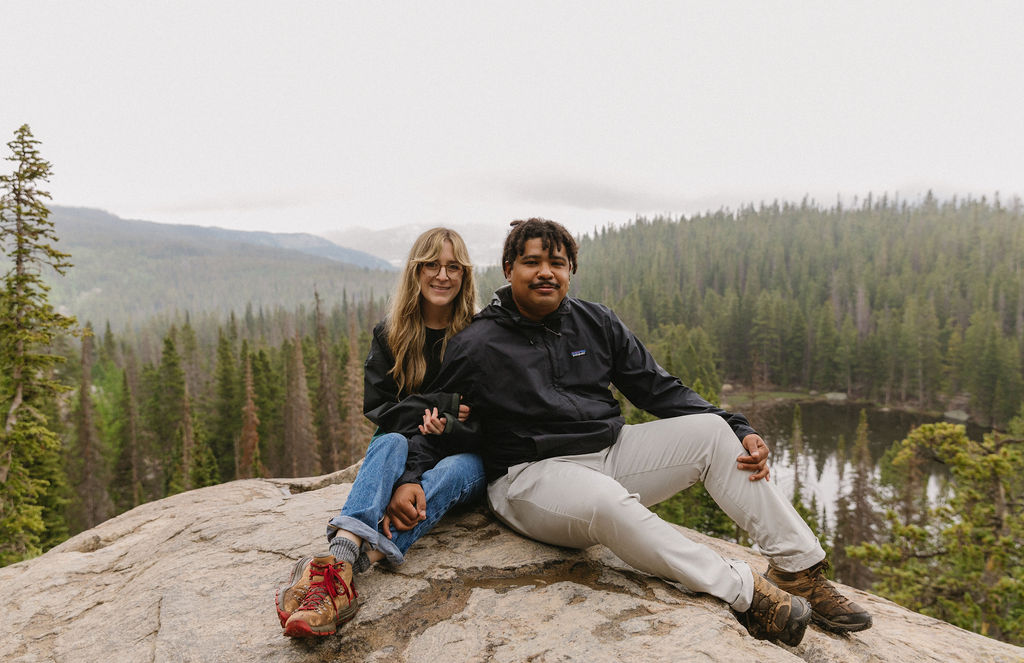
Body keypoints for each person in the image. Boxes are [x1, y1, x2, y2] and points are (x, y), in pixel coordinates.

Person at [412, 218, 872, 647]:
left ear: (570, 269)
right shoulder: (477, 343)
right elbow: (433, 418)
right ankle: (747, 594)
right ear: (509, 269)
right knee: (605, 502)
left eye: (557, 263)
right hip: (530, 476)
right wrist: (412, 477)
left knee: (712, 433)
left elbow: (657, 388)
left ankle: (797, 568)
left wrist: (738, 426)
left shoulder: (595, 322)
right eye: (532, 262)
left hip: (609, 454)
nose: (545, 273)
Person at [275, 227, 486, 638]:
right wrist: (440, 406)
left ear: (465, 275)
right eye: (432, 265)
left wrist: (445, 431)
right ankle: (344, 560)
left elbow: (488, 421)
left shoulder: (479, 337)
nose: (442, 275)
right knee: (389, 441)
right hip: (402, 448)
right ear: (415, 270)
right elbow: (381, 412)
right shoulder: (391, 334)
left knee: (455, 472)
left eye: (453, 267)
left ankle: (345, 570)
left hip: (462, 453)